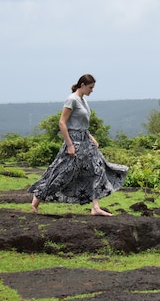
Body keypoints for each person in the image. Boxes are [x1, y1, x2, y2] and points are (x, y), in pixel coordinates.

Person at [29, 74, 128, 216]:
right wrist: (69, 145)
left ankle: (95, 207)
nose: (92, 90)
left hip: (85, 141)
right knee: (62, 173)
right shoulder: (71, 100)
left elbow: (82, 125)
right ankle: (37, 198)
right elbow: (62, 123)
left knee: (97, 170)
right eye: (90, 87)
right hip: (73, 141)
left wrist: (90, 137)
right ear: (82, 85)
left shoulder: (84, 101)